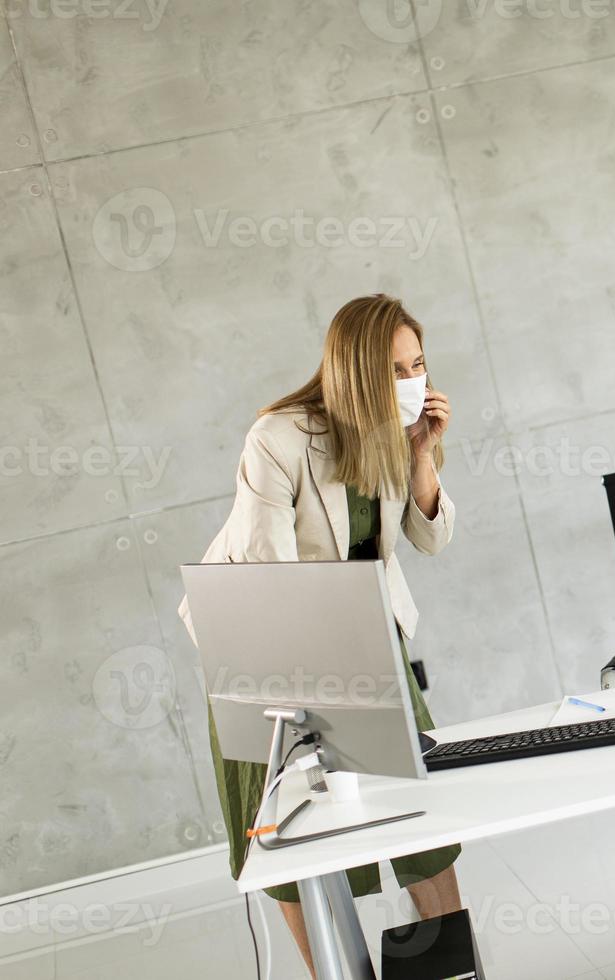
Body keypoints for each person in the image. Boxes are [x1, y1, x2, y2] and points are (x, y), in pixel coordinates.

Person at [179, 295, 463, 978]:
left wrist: (423, 455)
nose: (414, 381)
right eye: (396, 369)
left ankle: (450, 972)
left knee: (415, 819)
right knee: (293, 838)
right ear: (357, 372)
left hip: (363, 629)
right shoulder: (279, 438)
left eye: (419, 364)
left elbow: (431, 537)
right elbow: (270, 575)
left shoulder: (396, 434)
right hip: (261, 645)